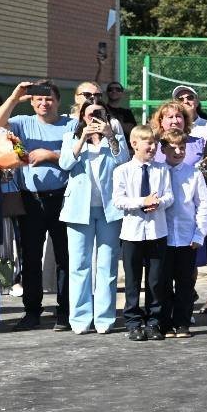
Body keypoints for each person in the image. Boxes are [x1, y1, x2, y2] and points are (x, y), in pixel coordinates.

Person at [0, 80, 75, 331]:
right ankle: (32, 312)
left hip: (63, 198)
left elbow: (79, 155)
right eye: (38, 99)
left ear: (58, 100)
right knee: (30, 258)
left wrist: (50, 155)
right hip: (31, 200)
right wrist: (13, 97)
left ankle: (64, 312)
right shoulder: (22, 122)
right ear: (31, 102)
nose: (44, 103)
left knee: (65, 258)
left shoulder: (70, 124)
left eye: (49, 98)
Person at [58, 100, 128, 334]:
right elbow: (65, 163)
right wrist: (82, 139)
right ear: (81, 117)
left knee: (107, 266)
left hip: (109, 209)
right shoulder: (71, 136)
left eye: (99, 113)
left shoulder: (114, 134)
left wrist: (110, 136)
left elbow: (124, 162)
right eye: (89, 114)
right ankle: (79, 319)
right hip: (79, 209)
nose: (94, 118)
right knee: (79, 265)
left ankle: (104, 319)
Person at [111, 125, 174, 341]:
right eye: (148, 142)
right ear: (134, 144)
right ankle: (133, 322)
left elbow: (169, 196)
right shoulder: (123, 170)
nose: (153, 146)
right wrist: (141, 202)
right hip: (132, 233)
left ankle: (154, 321)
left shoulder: (162, 169)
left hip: (157, 232)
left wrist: (158, 202)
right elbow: (118, 200)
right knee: (132, 280)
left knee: (155, 280)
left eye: (154, 143)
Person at [159, 129, 207, 338]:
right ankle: (165, 322)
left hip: (187, 238)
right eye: (173, 148)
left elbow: (203, 206)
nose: (178, 152)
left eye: (182, 147)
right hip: (162, 237)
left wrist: (199, 235)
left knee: (185, 283)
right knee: (162, 282)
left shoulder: (194, 174)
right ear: (163, 149)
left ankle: (182, 322)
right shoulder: (157, 172)